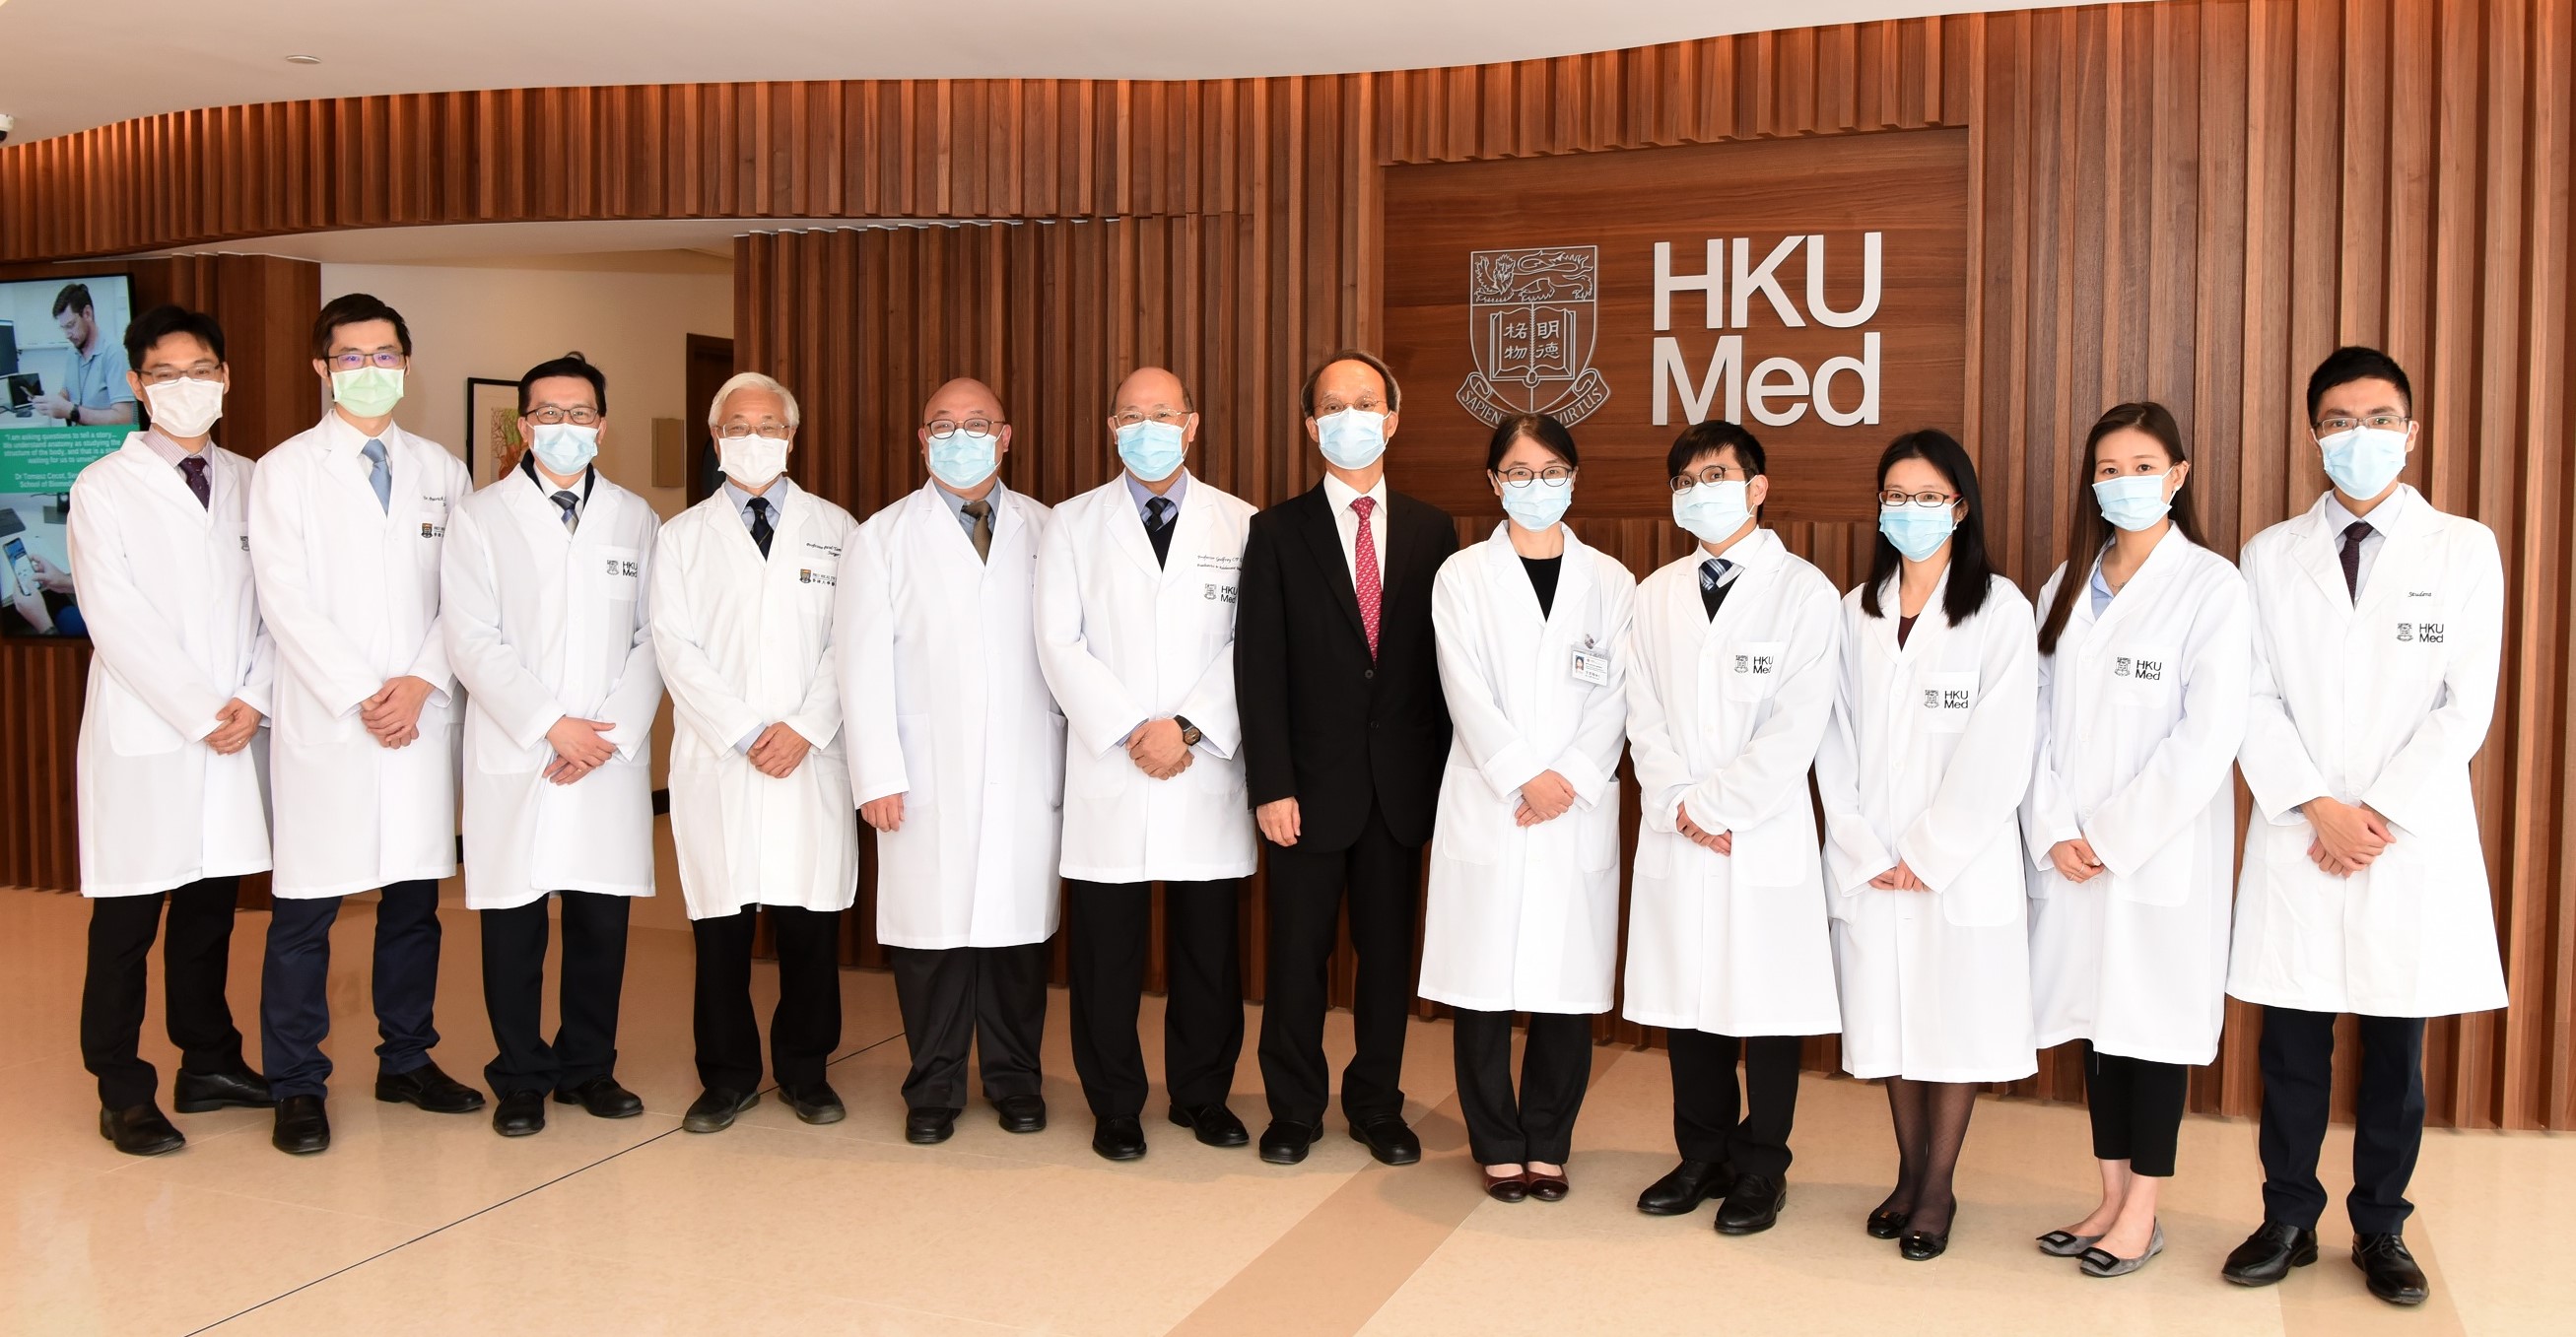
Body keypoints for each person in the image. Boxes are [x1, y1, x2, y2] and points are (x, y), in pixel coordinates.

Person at [2219, 348, 2507, 1307]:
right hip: (2304, 829)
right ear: (2313, 437)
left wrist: (2372, 814)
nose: (2358, 437)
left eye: (2378, 418)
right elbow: (2250, 696)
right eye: (2338, 421)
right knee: (2289, 1046)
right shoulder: (2267, 554)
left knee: (2395, 1051)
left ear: (2411, 431)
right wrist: (2318, 806)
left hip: (2399, 836)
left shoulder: (2463, 549)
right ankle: (2287, 1216)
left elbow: (2463, 706)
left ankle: (2379, 1226)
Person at [249, 293, 483, 1156]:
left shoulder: (442, 470)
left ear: (407, 364)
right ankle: (297, 1081)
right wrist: (364, 693)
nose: (371, 372)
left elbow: (461, 593)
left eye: (385, 356)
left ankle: (406, 1057)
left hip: (416, 719)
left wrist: (420, 682)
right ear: (322, 367)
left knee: (414, 906)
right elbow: (286, 599)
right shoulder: (284, 471)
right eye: (351, 357)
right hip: (331, 721)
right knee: (305, 914)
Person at [2022, 402, 2252, 1278]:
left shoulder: (2212, 588)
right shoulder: (2063, 586)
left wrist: (2111, 836)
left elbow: (2207, 738)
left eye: (2143, 465)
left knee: (2150, 1031)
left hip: (2152, 854)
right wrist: (2052, 827)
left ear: (2179, 476)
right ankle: (2111, 1194)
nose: (2125, 483)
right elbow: (2033, 724)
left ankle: (2144, 1211)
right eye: (2109, 469)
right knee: (2096, 1028)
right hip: (2074, 853)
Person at [1814, 429, 2038, 1261]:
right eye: (1896, 497)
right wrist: (1866, 845)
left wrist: (1932, 849)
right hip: (1873, 862)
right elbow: (1829, 736)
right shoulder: (1855, 609)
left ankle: (1936, 1188)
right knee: (1893, 1021)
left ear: (1961, 506)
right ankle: (1908, 1175)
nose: (1911, 512)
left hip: (1958, 866)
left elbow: (2001, 743)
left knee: (1952, 1023)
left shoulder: (2000, 609)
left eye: (1928, 496)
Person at [1235, 349, 1457, 1167]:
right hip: (1306, 789)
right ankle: (1293, 1108)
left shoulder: (1435, 530)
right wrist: (1270, 784)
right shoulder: (1277, 530)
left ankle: (1376, 1104)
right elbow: (1258, 670)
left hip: (1398, 791)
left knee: (1387, 960)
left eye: (1367, 401)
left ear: (1393, 418)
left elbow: (1441, 673)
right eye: (1335, 404)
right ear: (1311, 425)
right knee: (1295, 958)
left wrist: (1438, 785)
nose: (1352, 415)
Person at [1031, 368, 1256, 1162]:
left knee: (1208, 952)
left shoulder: (1240, 523)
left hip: (1202, 767)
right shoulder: (1070, 524)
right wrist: (1135, 728)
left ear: (1192, 425)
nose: (1149, 425)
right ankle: (1115, 1103)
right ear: (1110, 426)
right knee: (1106, 955)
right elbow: (1058, 642)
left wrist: (1188, 727)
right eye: (1133, 414)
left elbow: (1253, 647)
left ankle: (1202, 1095)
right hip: (1114, 767)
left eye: (1164, 413)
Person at [1621, 421, 1841, 1233]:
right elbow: (1641, 714)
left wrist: (1715, 808)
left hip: (1758, 831)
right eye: (1684, 480)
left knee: (1766, 1007)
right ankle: (1700, 1153)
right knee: (1690, 1000)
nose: (1698, 491)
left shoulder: (1805, 592)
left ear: (1757, 487)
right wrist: (1681, 800)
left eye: (1715, 474)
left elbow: (1796, 727)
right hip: (1684, 828)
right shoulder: (1654, 594)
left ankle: (1762, 1166)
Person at [66, 304, 277, 1155]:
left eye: (200, 371)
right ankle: (121, 1085)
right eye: (164, 373)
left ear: (226, 378)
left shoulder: (255, 481)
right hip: (153, 734)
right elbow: (115, 619)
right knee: (125, 926)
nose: (184, 388)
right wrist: (201, 710)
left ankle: (210, 1060)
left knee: (209, 914)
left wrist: (253, 699)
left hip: (234, 728)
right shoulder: (102, 488)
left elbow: (277, 607)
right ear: (135, 384)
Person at [441, 354, 663, 1138]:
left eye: (580, 414)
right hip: (524, 750)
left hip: (605, 753)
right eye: (548, 414)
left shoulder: (637, 518)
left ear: (602, 425)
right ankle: (521, 1075)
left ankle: (589, 1068)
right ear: (523, 424)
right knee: (516, 923)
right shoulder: (480, 516)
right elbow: (472, 639)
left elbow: (652, 639)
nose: (565, 428)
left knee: (601, 924)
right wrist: (551, 725)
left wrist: (605, 732)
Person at [843, 376, 1062, 1147]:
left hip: (1027, 766)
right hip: (921, 771)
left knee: (1015, 939)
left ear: (1006, 436)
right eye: (943, 424)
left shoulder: (1048, 529)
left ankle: (1014, 1079)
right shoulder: (880, 538)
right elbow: (859, 665)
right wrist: (877, 775)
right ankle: (932, 1086)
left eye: (977, 424)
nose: (960, 436)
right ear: (921, 438)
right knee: (930, 940)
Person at [1421, 413, 1634, 1202]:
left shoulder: (1610, 581)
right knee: (1482, 984)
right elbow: (1461, 685)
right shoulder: (1461, 577)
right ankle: (1496, 1140)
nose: (1535, 485)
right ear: (1493, 481)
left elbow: (1618, 693)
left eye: (1551, 470)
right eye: (1519, 470)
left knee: (1564, 988)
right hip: (1492, 795)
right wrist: (1522, 775)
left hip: (1571, 806)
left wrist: (1569, 776)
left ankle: (1549, 1139)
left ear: (1574, 479)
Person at [651, 372, 860, 1135]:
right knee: (722, 933)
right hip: (723, 759)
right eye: (737, 424)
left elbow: (855, 645)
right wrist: (745, 730)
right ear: (715, 438)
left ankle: (807, 1072)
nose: (753, 436)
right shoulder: (679, 539)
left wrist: (805, 726)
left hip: (811, 756)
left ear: (793, 436)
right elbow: (677, 649)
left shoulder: (839, 529)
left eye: (768, 424)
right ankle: (728, 1076)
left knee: (809, 929)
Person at [34, 283, 138, 427]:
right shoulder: (72, 352)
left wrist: (71, 411)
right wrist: (55, 402)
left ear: (87, 314)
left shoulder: (114, 352)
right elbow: (68, 391)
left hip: (105, 443)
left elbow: (125, 418)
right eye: (63, 328)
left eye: (70, 325)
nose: (67, 335)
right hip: (79, 440)